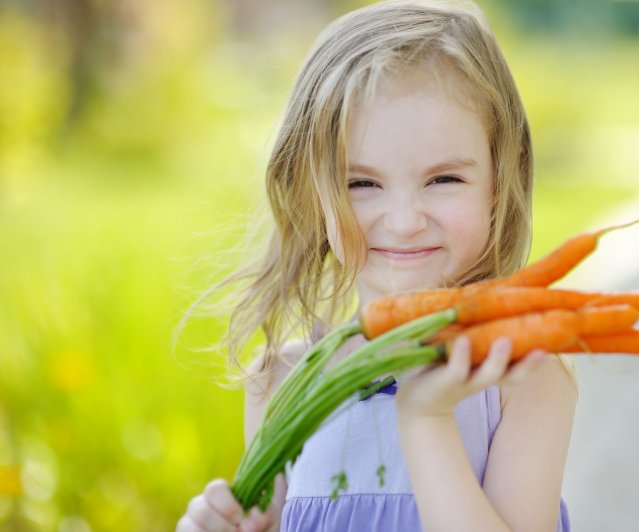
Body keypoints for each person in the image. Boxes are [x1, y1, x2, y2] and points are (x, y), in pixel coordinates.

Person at [177, 1, 577, 530]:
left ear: (500, 184)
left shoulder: (521, 376)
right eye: (360, 184)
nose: (405, 220)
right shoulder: (284, 381)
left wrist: (427, 418)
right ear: (310, 194)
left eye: (443, 180)